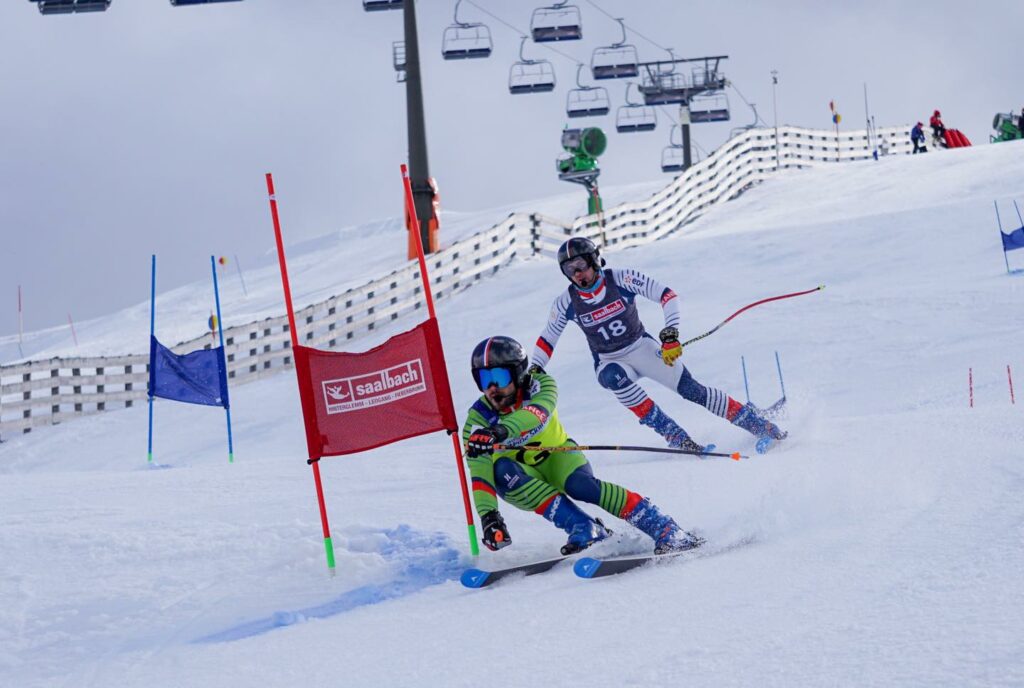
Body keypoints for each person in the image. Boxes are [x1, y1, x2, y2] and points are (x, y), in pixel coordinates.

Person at [530, 237, 786, 454]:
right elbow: (548, 337)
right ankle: (676, 438)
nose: (577, 274)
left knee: (692, 390)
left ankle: (761, 426)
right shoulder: (566, 302)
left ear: (594, 260)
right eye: (569, 270)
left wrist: (671, 334)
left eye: (581, 265)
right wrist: (535, 368)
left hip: (641, 348)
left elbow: (666, 295)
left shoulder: (620, 278)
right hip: (609, 360)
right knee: (613, 377)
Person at [462, 335, 702, 555]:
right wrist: (489, 517)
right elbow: (479, 471)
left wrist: (498, 431)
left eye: (499, 377)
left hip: (560, 457)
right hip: (523, 477)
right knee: (500, 469)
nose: (491, 387)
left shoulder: (539, 385)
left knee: (581, 486)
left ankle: (665, 527)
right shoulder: (478, 419)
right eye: (484, 379)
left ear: (517, 373)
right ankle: (585, 527)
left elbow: (536, 414)